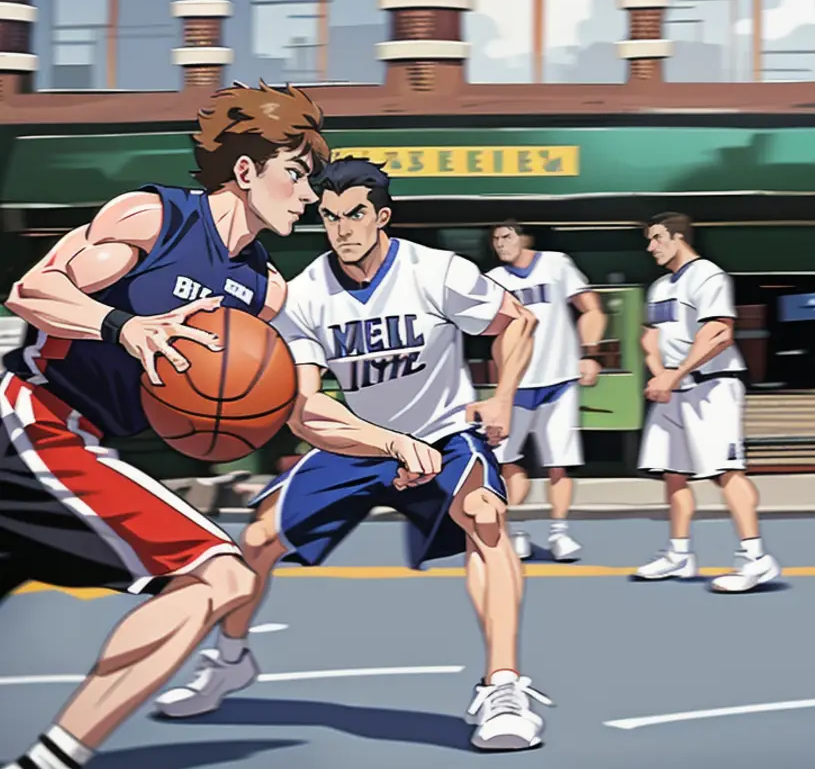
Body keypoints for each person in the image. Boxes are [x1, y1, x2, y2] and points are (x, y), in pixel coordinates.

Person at [153, 158, 551, 751]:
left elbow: (516, 322)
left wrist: (502, 400)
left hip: (443, 431)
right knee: (256, 541)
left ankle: (504, 687)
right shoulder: (305, 293)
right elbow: (305, 406)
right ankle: (231, 657)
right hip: (363, 439)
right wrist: (387, 443)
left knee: (487, 517)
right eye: (330, 216)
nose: (342, 228)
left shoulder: (435, 271)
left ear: (382, 216)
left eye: (356, 214)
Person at [0, 81, 328, 769]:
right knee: (219, 577)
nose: (308, 194)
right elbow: (32, 290)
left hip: (75, 442)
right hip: (27, 415)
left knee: (217, 580)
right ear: (245, 171)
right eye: (296, 174)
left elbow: (275, 401)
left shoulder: (264, 292)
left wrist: (390, 443)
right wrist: (124, 328)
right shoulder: (155, 219)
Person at [631, 212, 780, 593]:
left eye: (657, 238)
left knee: (726, 471)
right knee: (672, 472)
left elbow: (717, 334)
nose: (651, 247)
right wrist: (660, 375)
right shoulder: (659, 287)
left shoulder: (708, 275)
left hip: (712, 387)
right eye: (649, 240)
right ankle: (679, 554)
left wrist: (673, 375)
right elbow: (649, 340)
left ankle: (756, 558)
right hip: (674, 389)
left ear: (678, 237)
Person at [485, 220, 607, 562]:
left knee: (559, 463)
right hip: (517, 385)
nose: (500, 244)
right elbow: (494, 337)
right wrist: (500, 384)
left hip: (559, 379)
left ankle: (560, 533)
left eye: (507, 236)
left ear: (525, 238)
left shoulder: (556, 264)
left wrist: (590, 353)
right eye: (495, 239)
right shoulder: (495, 280)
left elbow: (592, 309)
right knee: (509, 461)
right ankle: (518, 530)